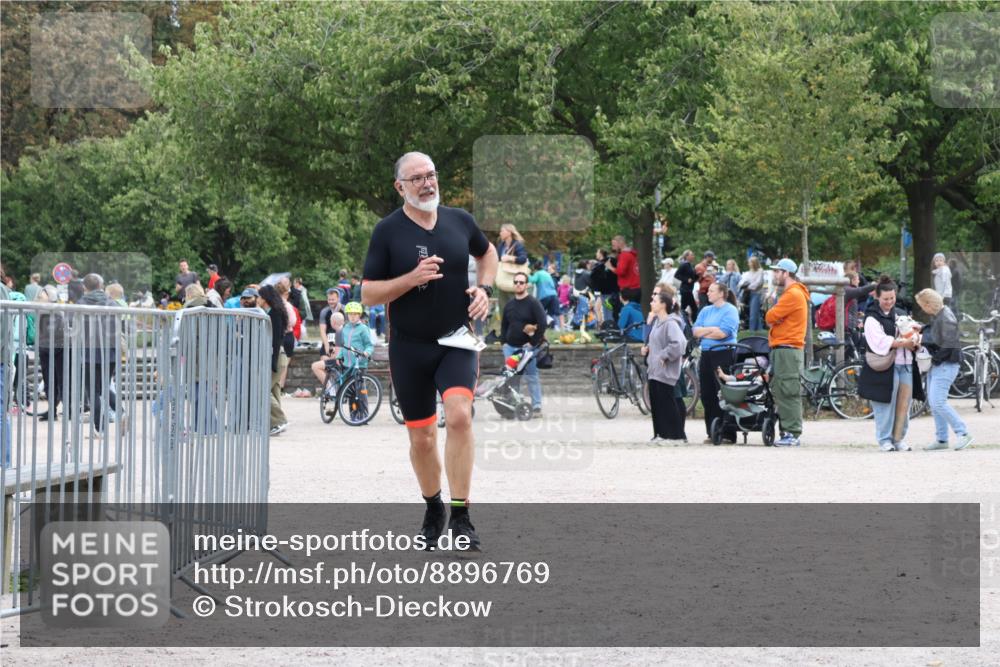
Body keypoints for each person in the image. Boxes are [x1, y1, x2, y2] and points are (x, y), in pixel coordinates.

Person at [361, 150, 498, 553]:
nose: (427, 183)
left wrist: (484, 289)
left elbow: (487, 253)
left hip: (456, 339)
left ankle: (461, 515)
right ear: (399, 186)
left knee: (459, 416)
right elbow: (368, 293)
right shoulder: (387, 231)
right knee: (421, 438)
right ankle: (433, 506)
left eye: (431, 175)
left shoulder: (460, 220)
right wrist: (411, 278)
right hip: (410, 347)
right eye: (417, 178)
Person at [858, 277, 925, 452]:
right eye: (885, 299)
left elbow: (914, 334)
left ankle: (898, 439)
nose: (889, 302)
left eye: (892, 298)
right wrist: (903, 342)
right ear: (877, 297)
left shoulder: (901, 313)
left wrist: (915, 338)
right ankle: (884, 440)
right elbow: (879, 342)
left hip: (906, 364)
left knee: (904, 404)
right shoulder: (872, 318)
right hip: (886, 366)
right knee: (885, 404)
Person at [914, 289, 973, 450]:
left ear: (928, 304)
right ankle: (942, 439)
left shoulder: (945, 317)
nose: (922, 309)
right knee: (935, 403)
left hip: (945, 364)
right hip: (942, 364)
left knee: (938, 402)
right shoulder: (942, 314)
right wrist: (922, 328)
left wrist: (934, 359)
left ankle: (963, 433)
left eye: (922, 305)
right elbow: (938, 333)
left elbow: (949, 345)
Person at [763, 258, 810, 447]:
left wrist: (773, 310)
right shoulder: (792, 293)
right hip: (785, 349)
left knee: (788, 391)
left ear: (786, 273)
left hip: (788, 350)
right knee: (783, 390)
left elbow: (770, 317)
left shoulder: (792, 294)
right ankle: (788, 432)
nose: (775, 275)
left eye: (777, 271)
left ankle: (792, 433)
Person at [692, 282, 740, 444]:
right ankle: (712, 431)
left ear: (721, 293)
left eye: (711, 291)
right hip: (706, 354)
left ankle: (727, 432)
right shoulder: (705, 310)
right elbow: (695, 331)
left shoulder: (730, 310)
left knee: (723, 392)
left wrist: (705, 332)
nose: (708, 293)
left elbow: (723, 333)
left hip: (723, 353)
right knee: (707, 393)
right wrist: (711, 329)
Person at [500, 271, 547, 417]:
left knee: (532, 376)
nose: (518, 285)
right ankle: (513, 406)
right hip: (510, 347)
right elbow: (504, 325)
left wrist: (533, 342)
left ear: (526, 285)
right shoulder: (509, 305)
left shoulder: (533, 303)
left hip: (527, 349)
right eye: (516, 282)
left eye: (521, 282)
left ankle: (537, 406)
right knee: (512, 378)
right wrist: (503, 343)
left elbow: (543, 323)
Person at [644, 291, 687, 443]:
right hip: (654, 370)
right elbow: (656, 343)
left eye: (655, 301)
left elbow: (679, 344)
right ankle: (661, 434)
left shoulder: (671, 323)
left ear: (663, 305)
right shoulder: (657, 322)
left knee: (667, 404)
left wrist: (664, 355)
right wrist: (648, 349)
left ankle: (676, 436)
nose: (651, 303)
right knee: (657, 404)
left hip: (665, 371)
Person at [258, 284, 289, 436]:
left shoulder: (274, 314)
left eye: (259, 296)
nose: (257, 299)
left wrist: (272, 362)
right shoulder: (274, 312)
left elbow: (275, 340)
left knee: (262, 389)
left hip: (275, 356)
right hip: (278, 356)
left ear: (265, 298)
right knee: (273, 390)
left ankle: (280, 420)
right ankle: (274, 424)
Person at [311, 311, 345, 384]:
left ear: (333, 322)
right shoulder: (344, 330)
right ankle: (332, 386)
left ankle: (330, 387)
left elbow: (337, 356)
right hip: (345, 361)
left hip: (341, 362)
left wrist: (330, 358)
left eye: (330, 321)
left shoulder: (339, 332)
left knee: (315, 366)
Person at [589, 249, 618, 325]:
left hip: (608, 291)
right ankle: (603, 324)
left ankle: (609, 326)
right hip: (604, 291)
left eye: (597, 252)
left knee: (607, 310)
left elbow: (597, 277)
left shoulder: (607, 263)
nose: (596, 254)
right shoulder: (600, 264)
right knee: (600, 308)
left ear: (601, 254)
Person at [529, 261, 560, 328]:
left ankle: (538, 325)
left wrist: (527, 275)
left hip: (544, 295)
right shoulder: (547, 274)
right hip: (554, 295)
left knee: (538, 311)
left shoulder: (538, 273)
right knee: (550, 314)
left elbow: (532, 280)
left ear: (535, 269)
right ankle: (552, 326)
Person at [738, 257, 765, 331]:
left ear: (754, 263)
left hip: (757, 294)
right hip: (749, 294)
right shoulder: (749, 272)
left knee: (753, 313)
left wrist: (748, 286)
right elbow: (742, 281)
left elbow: (758, 283)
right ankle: (759, 330)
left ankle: (752, 330)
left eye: (750, 262)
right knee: (756, 313)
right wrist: (743, 285)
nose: (748, 264)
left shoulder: (760, 271)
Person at [675, 250, 699, 322]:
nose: (693, 256)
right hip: (685, 290)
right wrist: (686, 279)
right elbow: (677, 275)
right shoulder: (684, 265)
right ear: (687, 256)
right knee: (693, 308)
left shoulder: (690, 265)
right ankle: (691, 323)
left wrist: (698, 276)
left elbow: (692, 278)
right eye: (691, 255)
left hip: (689, 289)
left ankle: (682, 321)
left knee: (684, 307)